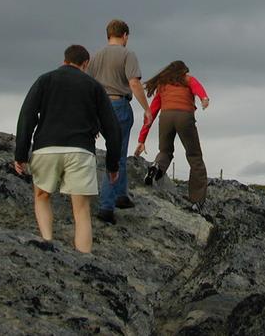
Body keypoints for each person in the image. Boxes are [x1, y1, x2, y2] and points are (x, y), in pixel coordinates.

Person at [14, 45, 121, 253]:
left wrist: (21, 154)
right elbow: (112, 128)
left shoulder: (45, 80)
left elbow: (27, 115)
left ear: (64, 60)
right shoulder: (94, 86)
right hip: (80, 150)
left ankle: (47, 241)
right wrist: (112, 165)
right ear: (85, 64)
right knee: (81, 210)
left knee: (42, 196)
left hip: (46, 148)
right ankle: (83, 257)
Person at [87, 19, 152, 224]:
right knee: (117, 153)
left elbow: (88, 84)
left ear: (108, 35)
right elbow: (134, 82)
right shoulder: (127, 54)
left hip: (99, 105)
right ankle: (107, 205)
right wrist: (147, 108)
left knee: (114, 151)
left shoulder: (96, 56)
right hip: (119, 104)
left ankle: (121, 195)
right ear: (125, 36)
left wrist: (92, 114)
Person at [134, 60, 210, 211]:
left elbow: (151, 114)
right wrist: (204, 98)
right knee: (195, 157)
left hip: (166, 117)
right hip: (184, 117)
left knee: (165, 151)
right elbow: (197, 87)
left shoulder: (163, 85)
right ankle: (197, 202)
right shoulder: (188, 79)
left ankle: (156, 167)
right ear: (183, 71)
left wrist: (142, 140)